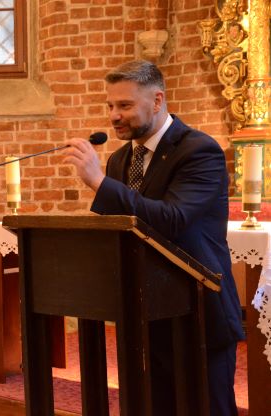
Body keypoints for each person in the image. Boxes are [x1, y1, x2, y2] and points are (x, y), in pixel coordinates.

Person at [62, 60, 244, 416]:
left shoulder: (199, 151)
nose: (114, 116)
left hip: (197, 311)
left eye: (125, 105)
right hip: (143, 315)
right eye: (110, 106)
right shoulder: (119, 160)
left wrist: (98, 183)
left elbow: (172, 220)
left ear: (157, 100)